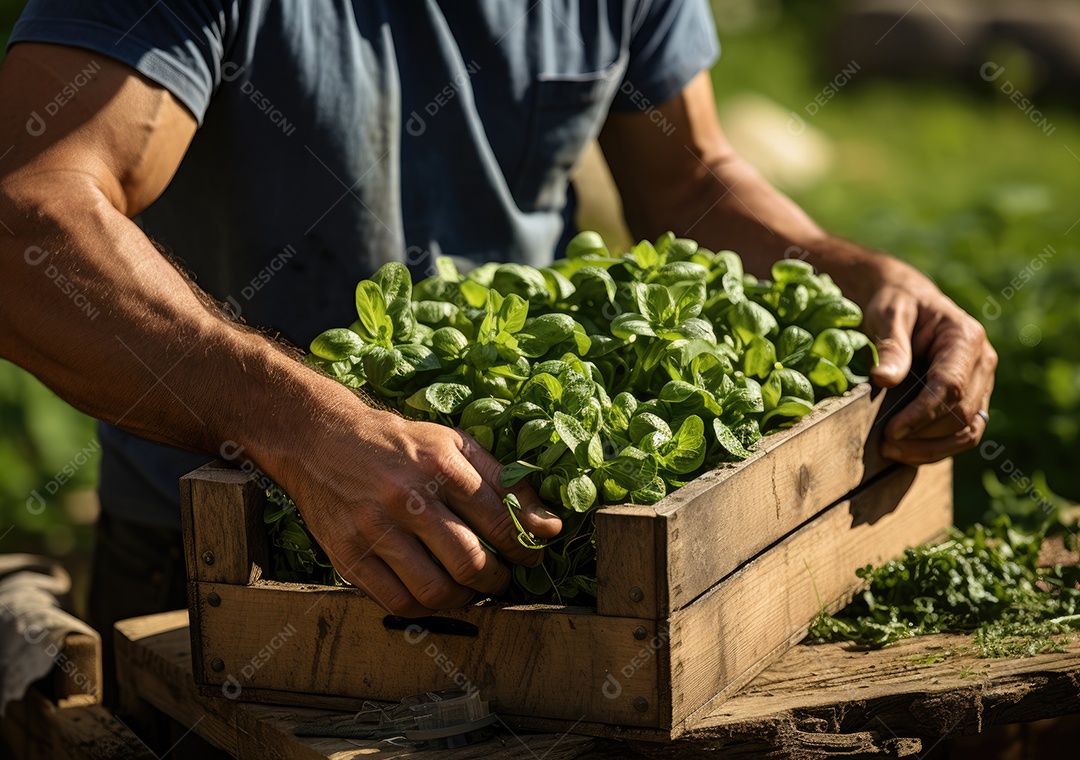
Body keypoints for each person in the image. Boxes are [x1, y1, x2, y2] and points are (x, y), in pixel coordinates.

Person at [0, 0, 994, 692]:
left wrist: (860, 278)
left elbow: (692, 182)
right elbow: (24, 218)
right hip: (232, 581)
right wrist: (301, 427)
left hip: (544, 550)